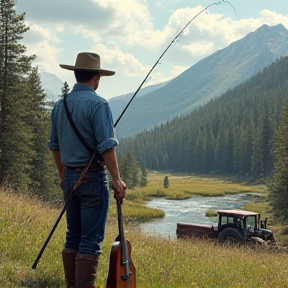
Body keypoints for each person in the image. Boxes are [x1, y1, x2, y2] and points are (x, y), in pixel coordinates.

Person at [48, 52, 126, 288]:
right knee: (90, 242)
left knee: (73, 235)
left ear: (76, 74)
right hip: (92, 178)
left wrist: (63, 176)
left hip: (69, 177)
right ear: (96, 77)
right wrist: (117, 180)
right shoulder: (99, 104)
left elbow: (54, 146)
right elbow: (106, 146)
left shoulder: (60, 105)